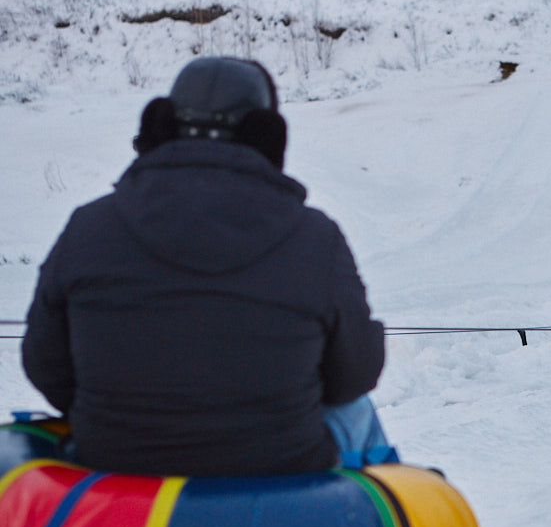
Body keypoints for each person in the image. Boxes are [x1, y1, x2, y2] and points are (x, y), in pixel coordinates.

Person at [21, 57, 392, 476]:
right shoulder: (317, 238)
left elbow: (45, 367)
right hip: (282, 472)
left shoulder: (88, 227)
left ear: (160, 128)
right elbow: (354, 375)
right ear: (265, 137)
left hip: (118, 466)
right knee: (357, 409)